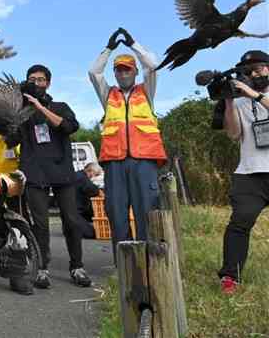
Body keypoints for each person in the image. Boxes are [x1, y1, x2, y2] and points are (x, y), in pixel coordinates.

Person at [88, 28, 167, 252]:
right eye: (119, 71)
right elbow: (94, 73)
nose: (123, 74)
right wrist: (109, 49)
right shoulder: (108, 95)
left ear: (134, 72)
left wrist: (134, 44)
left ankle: (148, 259)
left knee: (146, 211)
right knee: (116, 211)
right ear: (115, 73)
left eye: (127, 70)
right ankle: (123, 263)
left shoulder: (146, 91)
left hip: (144, 161)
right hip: (115, 162)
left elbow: (152, 66)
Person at [18, 64, 90, 288]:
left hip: (62, 172)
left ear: (48, 83)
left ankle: (77, 266)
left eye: (40, 79)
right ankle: (41, 269)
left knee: (71, 220)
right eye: (32, 79)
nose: (36, 83)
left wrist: (40, 106)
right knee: (40, 225)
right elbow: (10, 137)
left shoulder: (60, 106)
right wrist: (19, 106)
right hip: (35, 171)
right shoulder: (22, 112)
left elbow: (69, 127)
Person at [218, 50, 269, 294]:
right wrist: (228, 101)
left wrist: (255, 95)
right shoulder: (240, 101)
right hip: (250, 172)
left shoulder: (255, 94)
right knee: (240, 224)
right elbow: (234, 134)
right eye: (249, 70)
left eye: (259, 68)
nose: (254, 73)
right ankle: (230, 277)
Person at [75, 162, 103, 239]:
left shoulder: (79, 175)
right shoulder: (82, 178)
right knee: (93, 234)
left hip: (80, 210)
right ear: (90, 171)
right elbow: (95, 190)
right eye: (96, 174)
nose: (94, 177)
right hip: (75, 213)